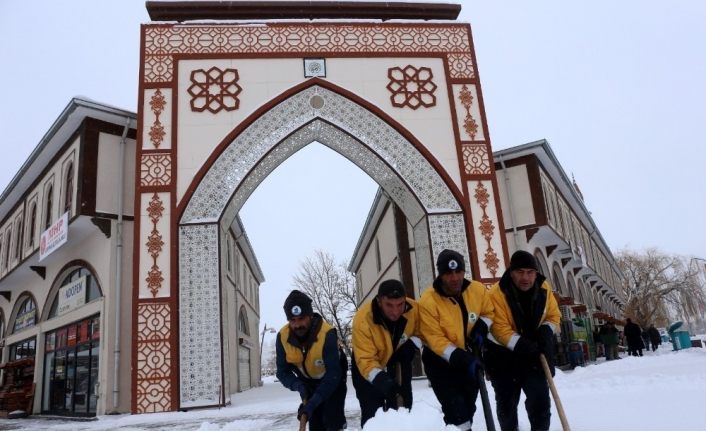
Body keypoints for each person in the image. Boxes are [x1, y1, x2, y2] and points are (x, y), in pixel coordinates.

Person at [418, 249, 494, 431]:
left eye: (458, 272)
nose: (454, 278)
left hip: (470, 356)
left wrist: (482, 326)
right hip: (440, 362)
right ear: (440, 275)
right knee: (455, 409)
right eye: (448, 273)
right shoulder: (428, 301)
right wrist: (461, 357)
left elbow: (489, 312)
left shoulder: (477, 290)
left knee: (469, 405)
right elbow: (434, 339)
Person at [485, 250, 561, 431]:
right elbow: (498, 328)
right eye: (520, 272)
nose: (525, 277)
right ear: (511, 272)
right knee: (507, 405)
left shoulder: (544, 288)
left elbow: (554, 316)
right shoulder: (496, 293)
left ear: (536, 273)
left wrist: (546, 331)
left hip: (533, 357)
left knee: (540, 400)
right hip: (502, 357)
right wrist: (522, 344)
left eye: (530, 272)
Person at [351, 279, 422, 427]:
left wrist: (412, 344)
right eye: (389, 305)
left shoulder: (413, 309)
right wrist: (383, 382)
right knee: (372, 413)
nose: (396, 311)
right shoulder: (363, 319)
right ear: (379, 302)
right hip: (366, 366)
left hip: (398, 360)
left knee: (402, 407)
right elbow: (365, 360)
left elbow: (425, 331)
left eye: (400, 304)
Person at [275, 290, 347, 431]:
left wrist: (314, 401)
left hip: (333, 380)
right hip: (308, 383)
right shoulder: (282, 337)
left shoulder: (327, 333)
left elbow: (334, 373)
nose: (297, 325)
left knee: (332, 420)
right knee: (316, 423)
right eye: (292, 320)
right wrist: (299, 386)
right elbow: (282, 372)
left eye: (301, 319)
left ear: (310, 316)